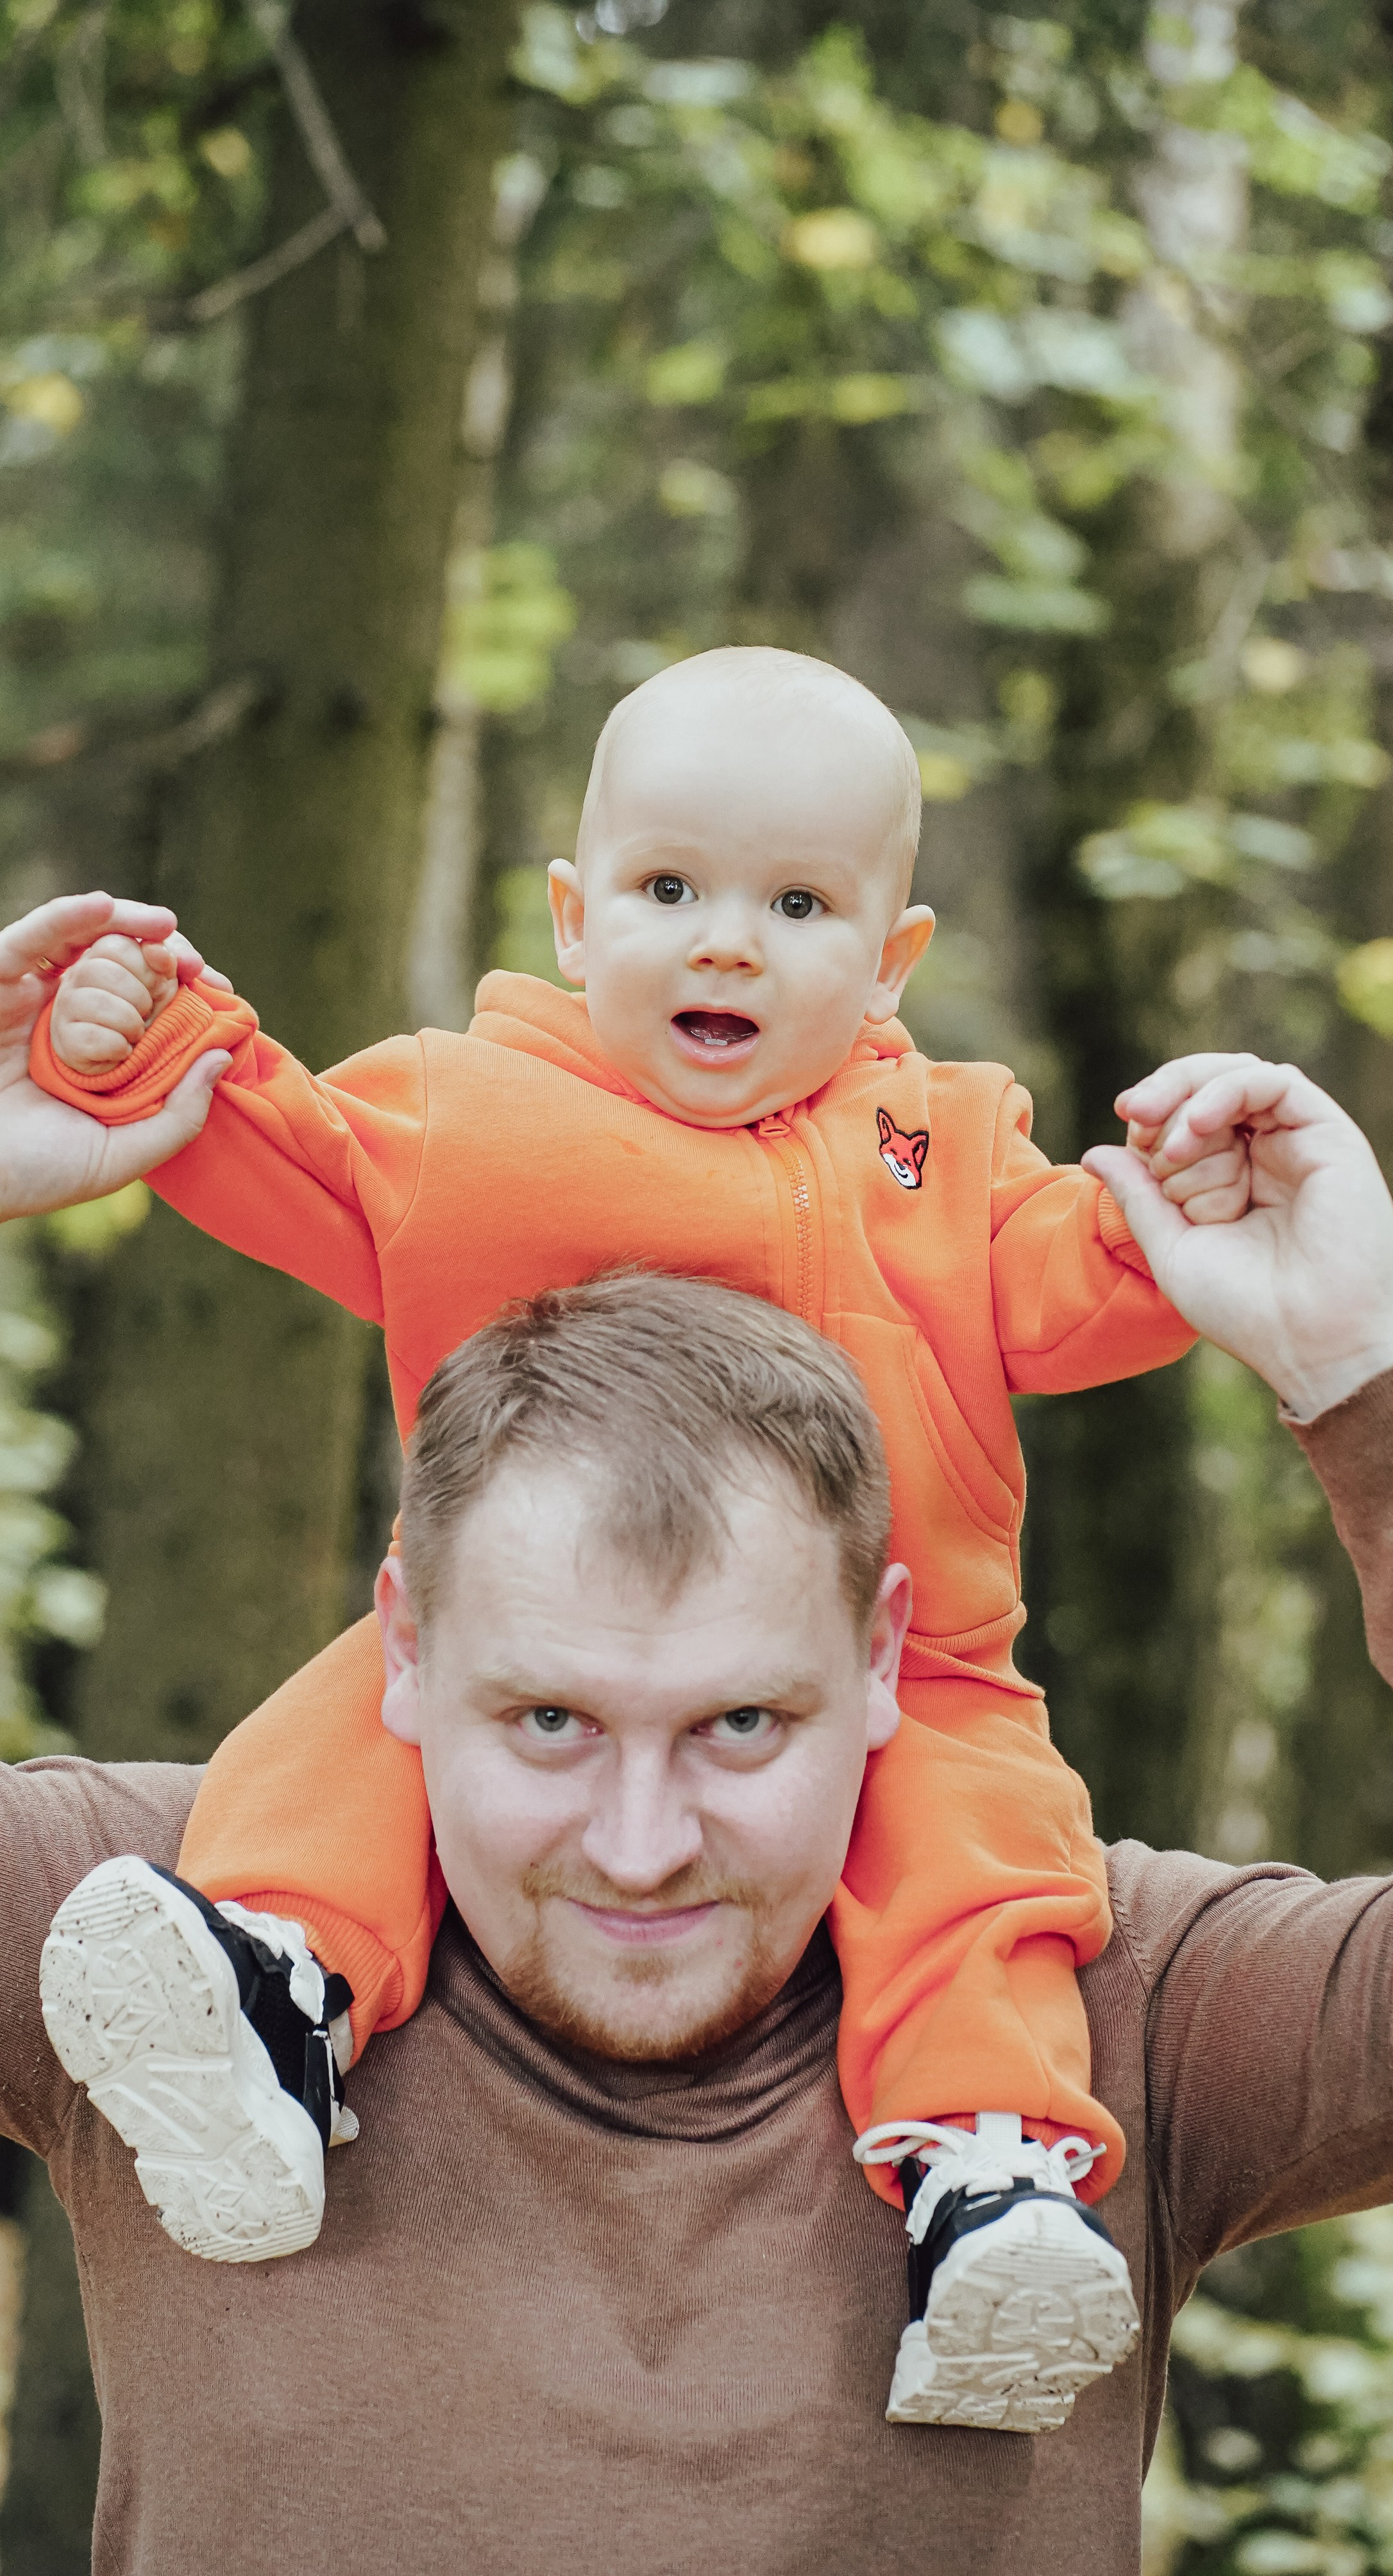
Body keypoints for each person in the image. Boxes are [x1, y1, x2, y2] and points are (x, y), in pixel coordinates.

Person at [1, 1038, 1393, 2575]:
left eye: (739, 1725)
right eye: (549, 1720)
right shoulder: (159, 1948)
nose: (641, 1845)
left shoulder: (1090, 1999)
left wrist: (1365, 1383)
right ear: (408, 1646)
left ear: (884, 1654)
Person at [10, 649, 1244, 2433]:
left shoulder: (942, 1153)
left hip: (919, 1664)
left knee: (985, 1871)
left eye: (797, 904)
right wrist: (133, 1045)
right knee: (368, 1730)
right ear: (579, 922)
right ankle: (270, 1997)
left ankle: (986, 2185)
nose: (725, 942)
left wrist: (1184, 1208)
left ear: (891, 958)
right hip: (529, 1627)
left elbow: (1082, 1292)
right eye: (672, 891)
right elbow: (286, 1149)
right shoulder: (478, 1116)